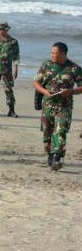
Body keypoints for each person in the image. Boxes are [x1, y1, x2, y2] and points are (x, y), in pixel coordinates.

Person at [33, 42, 82, 170]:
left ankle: (56, 158)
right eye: (51, 53)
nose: (52, 55)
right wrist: (45, 92)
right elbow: (36, 83)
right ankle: (50, 156)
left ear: (63, 54)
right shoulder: (46, 65)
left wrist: (70, 91)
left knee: (60, 130)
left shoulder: (74, 68)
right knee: (47, 132)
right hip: (47, 104)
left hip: (64, 106)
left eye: (54, 53)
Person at [0, 22, 20, 117]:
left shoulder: (13, 42)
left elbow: (16, 56)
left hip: (7, 69)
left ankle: (11, 110)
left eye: (1, 29)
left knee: (8, 89)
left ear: (6, 30)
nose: (0, 31)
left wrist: (16, 69)